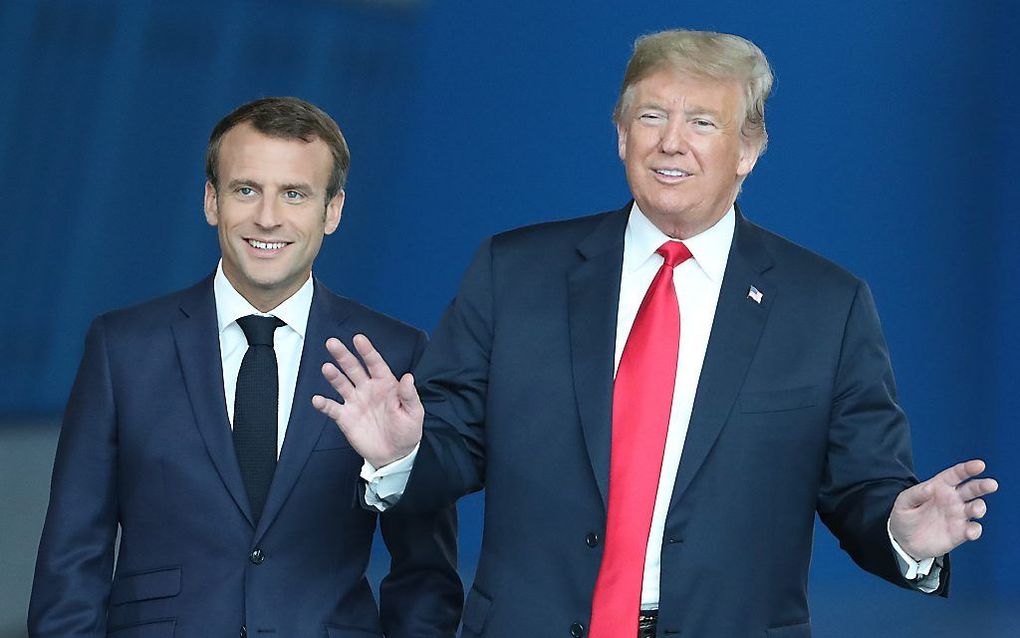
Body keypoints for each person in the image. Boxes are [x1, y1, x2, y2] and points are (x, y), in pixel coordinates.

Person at [312, 30, 998, 638]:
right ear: (621, 134)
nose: (672, 141)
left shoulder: (826, 306)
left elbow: (863, 487)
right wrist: (401, 455)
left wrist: (902, 534)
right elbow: (453, 447)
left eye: (703, 121)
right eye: (651, 116)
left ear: (749, 149)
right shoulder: (515, 272)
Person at [29, 97, 462, 637]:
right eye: (246, 189)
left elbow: (426, 573)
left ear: (333, 211)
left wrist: (396, 464)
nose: (267, 217)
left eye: (295, 194)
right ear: (212, 201)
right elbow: (72, 560)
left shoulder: (392, 355)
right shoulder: (123, 348)